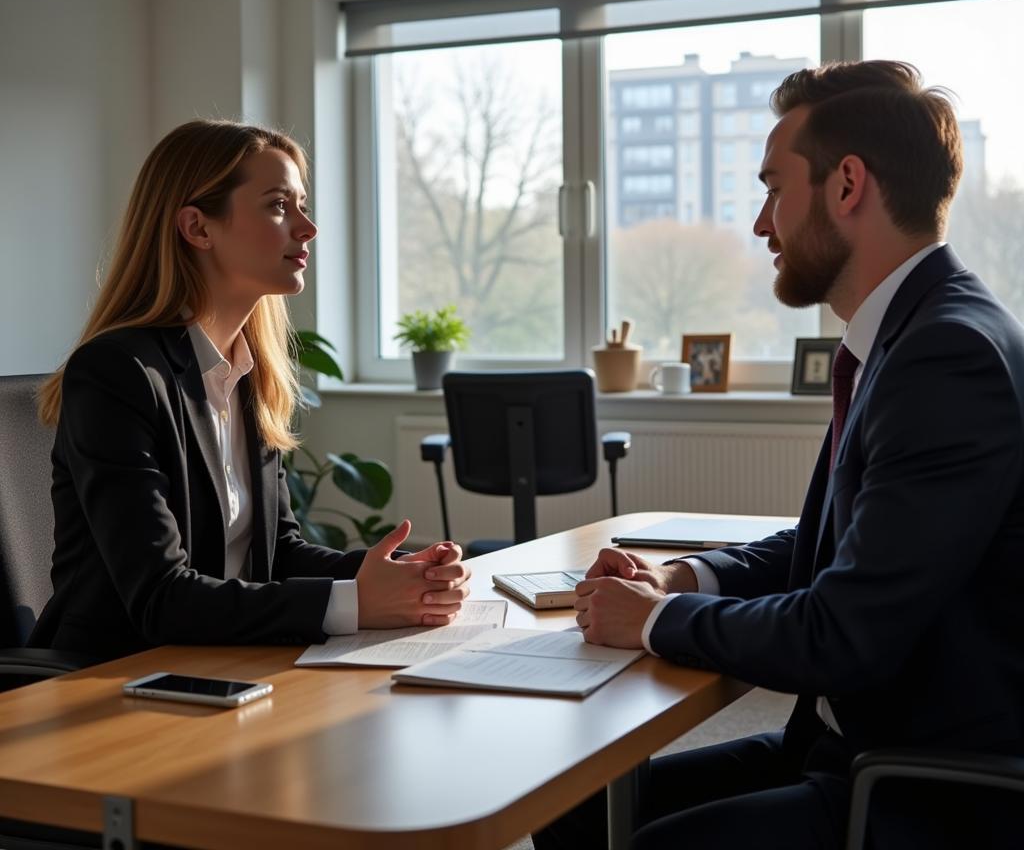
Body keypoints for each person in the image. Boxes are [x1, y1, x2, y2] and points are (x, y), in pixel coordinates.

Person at [538, 61, 1024, 849]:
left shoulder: (944, 356)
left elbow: (841, 634)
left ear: (847, 185)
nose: (762, 225)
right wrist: (684, 575)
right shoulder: (910, 334)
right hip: (848, 749)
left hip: (926, 787)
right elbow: (838, 541)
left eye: (773, 188)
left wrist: (657, 621)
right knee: (571, 807)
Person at [33, 120, 471, 662]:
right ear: (198, 227)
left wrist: (401, 575)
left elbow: (277, 553)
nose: (308, 228)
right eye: (279, 206)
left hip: (226, 661)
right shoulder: (117, 373)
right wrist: (354, 602)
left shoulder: (248, 374)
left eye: (301, 205)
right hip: (115, 680)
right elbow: (160, 598)